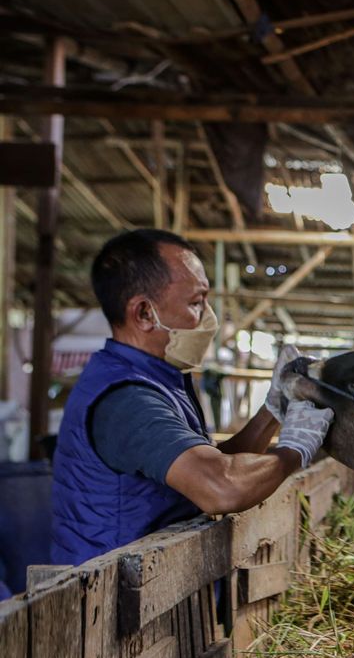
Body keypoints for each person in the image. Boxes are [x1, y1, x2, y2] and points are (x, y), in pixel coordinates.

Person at [49, 229, 333, 566]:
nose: (208, 317)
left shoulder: (159, 377)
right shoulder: (127, 400)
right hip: (110, 604)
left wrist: (272, 410)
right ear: (143, 313)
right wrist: (294, 451)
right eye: (196, 303)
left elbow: (207, 464)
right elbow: (220, 486)